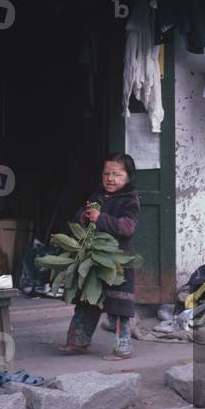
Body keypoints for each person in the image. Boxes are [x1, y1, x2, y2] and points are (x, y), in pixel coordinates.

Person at [59, 153, 140, 360]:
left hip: (117, 264)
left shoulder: (130, 200)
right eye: (107, 174)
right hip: (94, 261)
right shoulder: (96, 197)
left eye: (117, 174)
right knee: (87, 301)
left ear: (128, 178)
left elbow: (127, 227)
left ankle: (123, 348)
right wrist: (85, 216)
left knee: (119, 308)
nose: (110, 179)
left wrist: (101, 218)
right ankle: (78, 342)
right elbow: (79, 219)